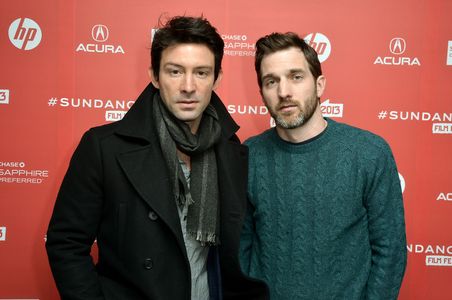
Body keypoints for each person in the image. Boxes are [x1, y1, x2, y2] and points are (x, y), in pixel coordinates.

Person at [46, 15, 268, 300]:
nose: (188, 86)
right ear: (154, 75)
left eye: (201, 73)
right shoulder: (104, 147)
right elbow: (66, 244)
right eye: (175, 71)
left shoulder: (230, 148)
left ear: (216, 78)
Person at [239, 32, 407, 299]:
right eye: (272, 81)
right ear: (262, 93)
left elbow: (390, 252)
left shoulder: (369, 152)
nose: (284, 92)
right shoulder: (248, 155)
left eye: (296, 77)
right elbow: (240, 250)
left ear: (319, 85)